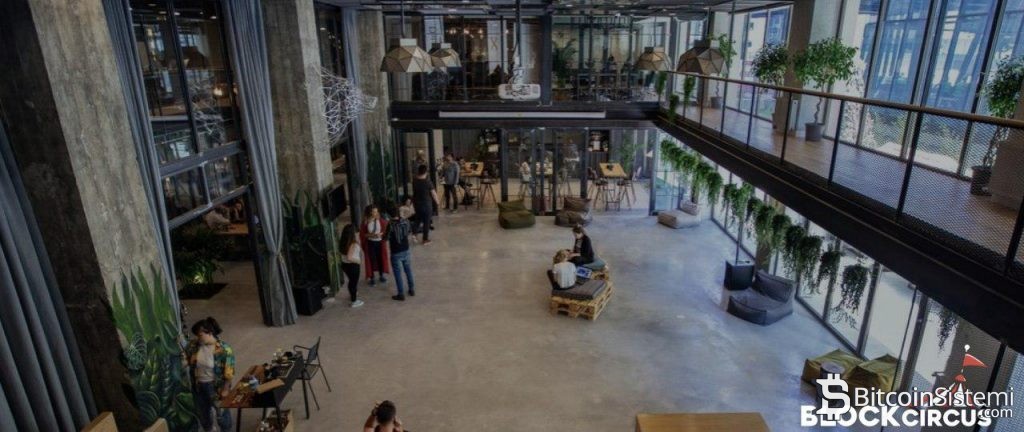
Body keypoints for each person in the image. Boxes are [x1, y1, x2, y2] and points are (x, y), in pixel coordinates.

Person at [186, 317, 235, 432]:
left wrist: (225, 389)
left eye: (200, 335)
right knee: (203, 414)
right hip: (198, 386)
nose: (198, 338)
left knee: (222, 414)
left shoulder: (224, 349)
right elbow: (188, 359)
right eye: (197, 335)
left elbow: (229, 373)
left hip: (215, 387)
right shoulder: (194, 345)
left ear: (210, 332)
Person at [386, 202, 415, 300]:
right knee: (408, 270)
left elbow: (386, 238)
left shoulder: (391, 224)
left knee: (398, 273)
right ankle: (411, 289)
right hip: (406, 249)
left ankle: (401, 293)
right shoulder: (405, 221)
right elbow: (409, 231)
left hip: (396, 251)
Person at [360, 205, 391, 286]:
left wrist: (382, 234)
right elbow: (363, 234)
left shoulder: (380, 220)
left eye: (376, 211)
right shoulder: (366, 222)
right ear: (370, 212)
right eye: (374, 212)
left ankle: (381, 275)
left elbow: (386, 229)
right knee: (371, 260)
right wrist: (373, 235)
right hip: (371, 243)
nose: (376, 213)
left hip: (380, 243)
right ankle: (372, 277)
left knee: (380, 259)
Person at [411, 164, 440, 245]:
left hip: (417, 203)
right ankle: (425, 239)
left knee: (418, 219)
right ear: (426, 172)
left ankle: (414, 233)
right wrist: (437, 202)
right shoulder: (428, 182)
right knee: (426, 222)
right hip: (426, 204)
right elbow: (433, 193)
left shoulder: (414, 181)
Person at [340, 224, 364, 308]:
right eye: (356, 232)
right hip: (353, 265)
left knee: (351, 281)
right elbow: (349, 257)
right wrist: (358, 261)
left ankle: (353, 294)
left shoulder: (343, 241)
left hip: (345, 264)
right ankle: (354, 301)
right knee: (353, 283)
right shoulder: (353, 244)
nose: (357, 233)